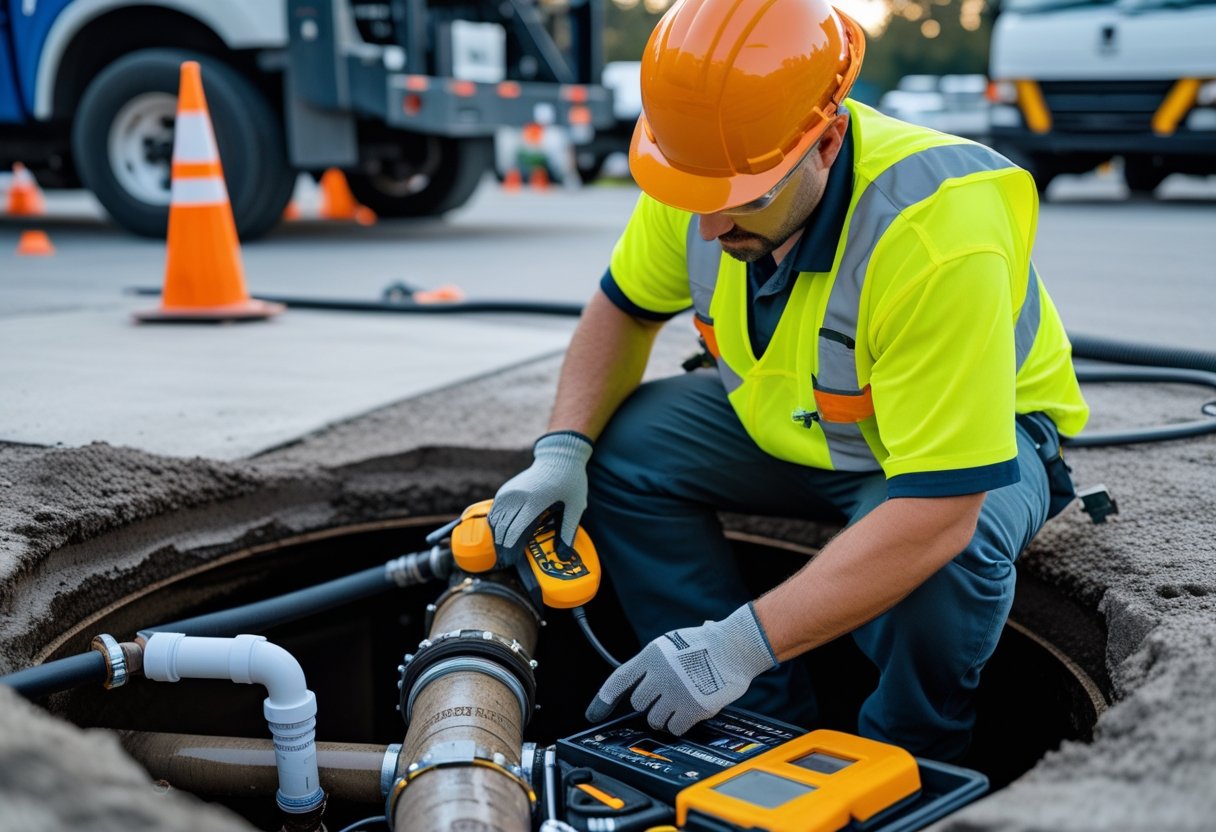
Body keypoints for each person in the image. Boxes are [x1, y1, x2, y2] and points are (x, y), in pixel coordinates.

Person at [487, 0, 1088, 762]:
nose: (708, 228)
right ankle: (756, 729)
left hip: (946, 457)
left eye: (743, 200)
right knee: (625, 447)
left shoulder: (936, 229)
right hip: (797, 424)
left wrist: (738, 645)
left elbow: (940, 511)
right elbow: (623, 309)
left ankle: (910, 761)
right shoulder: (708, 174)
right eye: (695, 197)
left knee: (944, 566)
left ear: (828, 139)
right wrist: (561, 450)